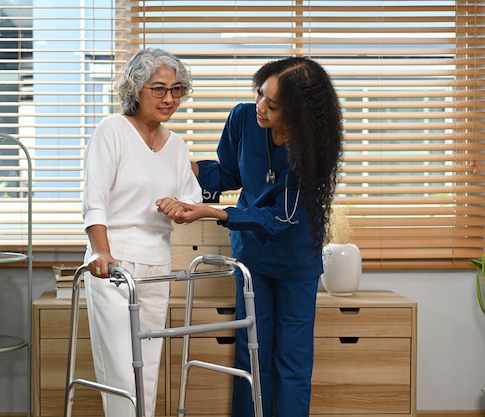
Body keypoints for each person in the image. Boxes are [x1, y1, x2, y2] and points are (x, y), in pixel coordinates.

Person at [156, 57, 343, 417]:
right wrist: (182, 165)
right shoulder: (243, 118)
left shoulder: (314, 147)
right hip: (252, 259)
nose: (260, 107)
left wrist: (214, 212)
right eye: (260, 94)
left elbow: (283, 216)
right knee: (252, 352)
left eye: (272, 105)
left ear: (298, 112)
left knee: (292, 362)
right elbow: (228, 173)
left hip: (295, 261)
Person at [82, 48, 203, 417]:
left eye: (177, 89)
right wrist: (101, 252)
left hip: (157, 265)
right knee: (121, 369)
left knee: (147, 368)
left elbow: (190, 203)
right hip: (113, 267)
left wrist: (180, 210)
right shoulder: (112, 131)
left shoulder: (177, 146)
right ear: (135, 90)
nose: (169, 98)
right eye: (159, 88)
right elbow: (94, 201)